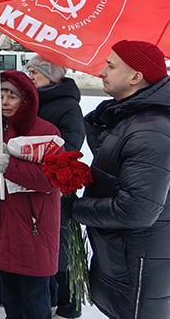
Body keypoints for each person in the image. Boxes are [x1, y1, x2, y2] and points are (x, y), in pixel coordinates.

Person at [72, 40, 170, 319]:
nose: (102, 72)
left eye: (111, 66)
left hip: (139, 263)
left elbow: (137, 209)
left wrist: (76, 209)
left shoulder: (149, 129)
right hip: (123, 257)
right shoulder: (129, 119)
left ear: (136, 77)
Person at [0, 71, 61, 319]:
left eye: (13, 95)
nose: (6, 101)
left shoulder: (45, 131)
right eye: (0, 95)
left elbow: (52, 179)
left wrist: (11, 167)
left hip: (31, 229)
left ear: (26, 99)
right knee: (10, 297)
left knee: (33, 301)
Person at [26, 55, 85, 318]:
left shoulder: (68, 106)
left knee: (61, 246)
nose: (30, 76)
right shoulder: (31, 101)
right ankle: (46, 293)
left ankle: (67, 302)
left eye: (35, 73)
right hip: (32, 186)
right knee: (38, 243)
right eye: (29, 71)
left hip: (59, 187)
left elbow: (71, 147)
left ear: (51, 76)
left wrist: (31, 155)